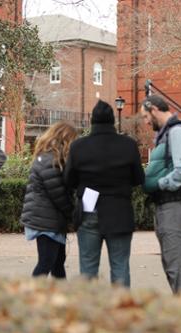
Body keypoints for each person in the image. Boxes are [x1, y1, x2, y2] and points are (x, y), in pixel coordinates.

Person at [64, 100, 145, 287]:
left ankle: (92, 312)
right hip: (119, 211)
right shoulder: (128, 145)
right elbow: (138, 179)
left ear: (92, 121)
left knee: (88, 268)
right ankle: (121, 311)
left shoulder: (78, 146)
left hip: (88, 211)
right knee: (120, 266)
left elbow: (68, 180)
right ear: (112, 122)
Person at [140, 94, 181, 294]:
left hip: (173, 204)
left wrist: (159, 183)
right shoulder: (168, 132)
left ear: (154, 109)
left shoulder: (177, 131)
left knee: (175, 263)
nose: (146, 122)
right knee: (171, 263)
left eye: (146, 116)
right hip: (167, 205)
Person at [21, 122, 77, 278]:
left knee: (57, 263)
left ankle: (59, 299)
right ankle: (31, 298)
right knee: (46, 263)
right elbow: (58, 194)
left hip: (47, 219)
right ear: (65, 139)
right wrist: (73, 215)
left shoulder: (48, 157)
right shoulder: (50, 160)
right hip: (46, 221)